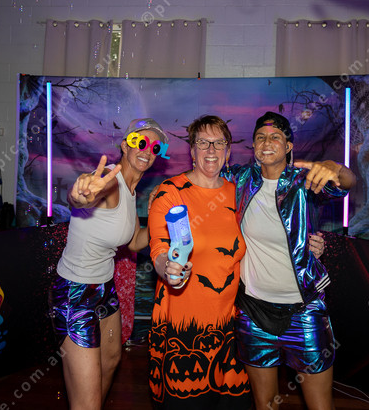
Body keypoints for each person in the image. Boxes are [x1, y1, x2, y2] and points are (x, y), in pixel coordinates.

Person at [229, 111, 356, 410]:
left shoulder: (303, 181)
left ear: (288, 146)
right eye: (260, 137)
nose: (267, 142)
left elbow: (346, 183)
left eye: (275, 137)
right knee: (266, 404)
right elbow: (200, 180)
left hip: (303, 311)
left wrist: (336, 167)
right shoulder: (239, 179)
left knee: (320, 406)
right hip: (254, 312)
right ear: (253, 146)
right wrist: (165, 190)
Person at [49, 118, 169, 409]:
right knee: (87, 402)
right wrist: (80, 195)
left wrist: (158, 215)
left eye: (155, 147)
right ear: (125, 146)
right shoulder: (110, 182)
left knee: (112, 358)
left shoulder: (130, 190)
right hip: (75, 294)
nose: (147, 150)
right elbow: (85, 197)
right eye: (140, 142)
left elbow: (134, 242)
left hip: (104, 288)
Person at [147, 115, 252, 409]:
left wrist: (307, 243)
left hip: (230, 326)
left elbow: (264, 238)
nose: (211, 150)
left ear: (228, 151)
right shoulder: (170, 192)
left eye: (219, 143)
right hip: (182, 328)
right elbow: (159, 248)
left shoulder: (240, 195)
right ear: (192, 150)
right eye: (203, 142)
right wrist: (168, 269)